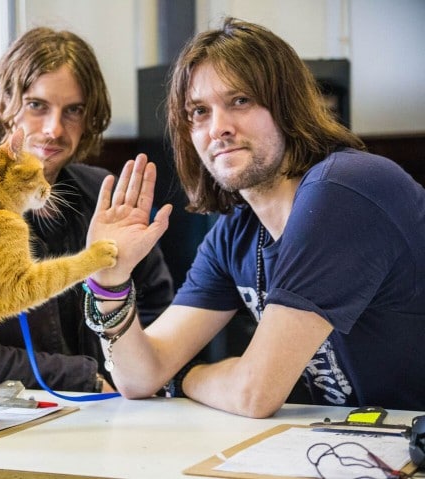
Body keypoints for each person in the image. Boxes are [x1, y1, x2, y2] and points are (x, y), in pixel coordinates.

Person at [84, 17, 425, 416]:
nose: (218, 129)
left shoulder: (347, 188)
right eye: (198, 111)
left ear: (286, 105)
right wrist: (110, 281)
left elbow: (253, 394)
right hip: (362, 444)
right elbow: (139, 377)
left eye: (240, 101)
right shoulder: (237, 233)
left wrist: (184, 377)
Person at [0, 27, 173, 393]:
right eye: (37, 106)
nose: (54, 129)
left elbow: (158, 308)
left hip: (123, 408)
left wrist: (142, 374)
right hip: (10, 424)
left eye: (73, 110)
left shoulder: (101, 192)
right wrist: (85, 378)